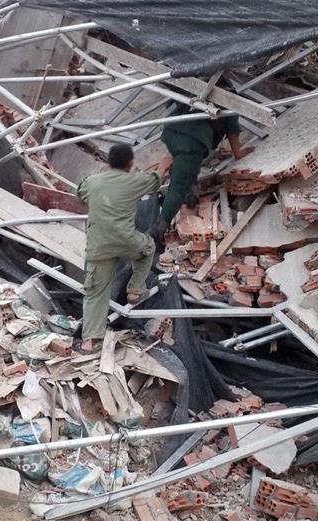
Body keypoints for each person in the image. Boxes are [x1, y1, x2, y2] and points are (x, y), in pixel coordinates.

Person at [77, 144, 161, 352]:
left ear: (107, 161)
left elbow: (80, 195)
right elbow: (156, 180)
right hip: (127, 241)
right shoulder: (134, 180)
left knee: (96, 292)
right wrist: (165, 163)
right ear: (130, 164)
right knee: (148, 246)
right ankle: (135, 289)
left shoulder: (93, 182)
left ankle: (89, 341)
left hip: (99, 246)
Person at [154, 112, 250, 240]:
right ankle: (157, 231)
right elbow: (233, 132)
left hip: (172, 131)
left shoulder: (200, 95)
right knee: (179, 186)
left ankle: (189, 191)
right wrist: (239, 153)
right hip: (192, 141)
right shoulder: (229, 105)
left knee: (185, 168)